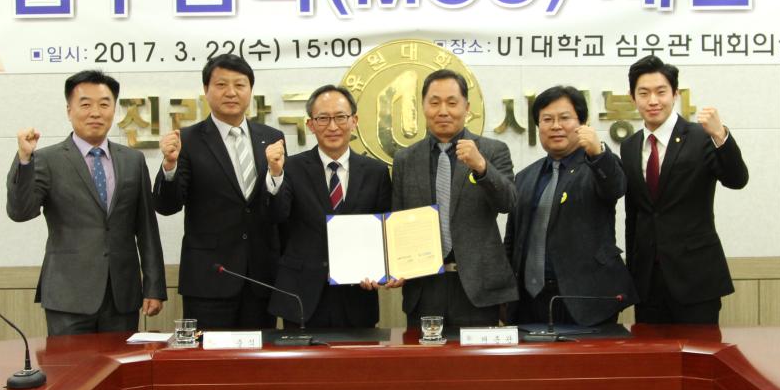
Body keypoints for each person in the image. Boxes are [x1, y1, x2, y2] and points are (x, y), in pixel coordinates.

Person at [6, 69, 165, 335]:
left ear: (114, 109)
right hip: (68, 295)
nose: (95, 113)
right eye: (86, 104)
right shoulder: (46, 160)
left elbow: (147, 228)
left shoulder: (133, 160)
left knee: (121, 362)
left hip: (121, 295)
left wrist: (154, 286)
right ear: (69, 110)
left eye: (104, 104)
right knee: (71, 363)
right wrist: (24, 161)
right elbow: (20, 211)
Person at [153, 54, 285, 330]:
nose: (231, 92)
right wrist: (169, 166)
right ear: (206, 90)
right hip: (209, 279)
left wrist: (276, 176)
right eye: (221, 84)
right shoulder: (188, 140)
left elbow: (279, 208)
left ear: (250, 90)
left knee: (260, 356)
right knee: (207, 356)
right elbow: (167, 206)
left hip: (260, 278)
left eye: (240, 84)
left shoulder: (271, 138)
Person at [621, 55, 748, 325]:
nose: (653, 100)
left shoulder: (701, 136)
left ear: (675, 94)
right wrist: (632, 275)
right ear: (632, 98)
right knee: (651, 352)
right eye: (644, 93)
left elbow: (737, 179)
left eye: (661, 92)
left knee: (700, 351)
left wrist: (720, 135)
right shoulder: (629, 146)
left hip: (696, 277)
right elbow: (634, 214)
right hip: (648, 282)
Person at [390, 69, 517, 327]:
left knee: (477, 355)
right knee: (424, 354)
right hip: (423, 287)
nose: (443, 111)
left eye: (452, 102)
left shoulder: (493, 150)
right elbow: (397, 219)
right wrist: (394, 266)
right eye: (434, 102)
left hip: (478, 288)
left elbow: (509, 203)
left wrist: (481, 167)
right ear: (423, 106)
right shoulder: (405, 159)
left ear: (466, 107)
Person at [505, 86, 635, 328]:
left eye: (564, 118)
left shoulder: (597, 165)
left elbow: (615, 188)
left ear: (582, 123)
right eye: (547, 120)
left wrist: (597, 153)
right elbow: (512, 241)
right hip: (529, 301)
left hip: (586, 300)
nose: (556, 126)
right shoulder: (524, 177)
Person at [265, 85, 393, 328]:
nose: (332, 127)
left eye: (340, 117)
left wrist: (381, 270)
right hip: (301, 297)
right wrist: (275, 173)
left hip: (357, 296)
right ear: (310, 125)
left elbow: (384, 231)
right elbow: (276, 215)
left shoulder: (376, 172)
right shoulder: (290, 168)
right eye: (323, 118)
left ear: (354, 121)